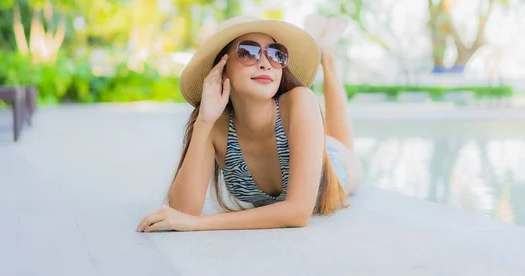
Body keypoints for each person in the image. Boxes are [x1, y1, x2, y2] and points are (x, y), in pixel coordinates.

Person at [136, 14, 363, 233]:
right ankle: (323, 47)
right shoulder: (214, 124)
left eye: (276, 54)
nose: (265, 63)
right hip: (297, 137)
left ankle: (327, 54)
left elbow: (298, 212)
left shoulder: (300, 100)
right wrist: (204, 122)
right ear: (221, 67)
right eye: (248, 52)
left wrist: (201, 224)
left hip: (335, 164)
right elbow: (181, 211)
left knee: (342, 144)